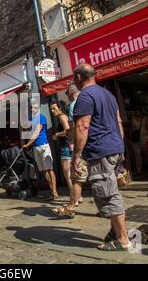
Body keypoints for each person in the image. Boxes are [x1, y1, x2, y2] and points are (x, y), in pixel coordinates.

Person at [72, 63, 131, 251]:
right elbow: (119, 121)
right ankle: (115, 232)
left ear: (79, 78)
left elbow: (82, 126)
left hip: (100, 150)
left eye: (74, 78)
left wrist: (77, 155)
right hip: (114, 147)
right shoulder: (108, 94)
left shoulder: (85, 96)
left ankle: (123, 239)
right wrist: (119, 145)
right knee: (109, 188)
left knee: (107, 193)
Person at [50, 84, 88, 218]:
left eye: (54, 109)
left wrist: (56, 135)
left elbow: (68, 130)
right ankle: (78, 197)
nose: (53, 111)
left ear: (60, 108)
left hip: (67, 147)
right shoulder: (65, 114)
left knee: (68, 175)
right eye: (52, 109)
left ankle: (74, 200)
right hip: (70, 146)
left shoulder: (63, 116)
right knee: (72, 175)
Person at [23, 100, 59, 201]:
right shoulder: (31, 118)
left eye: (35, 108)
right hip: (36, 147)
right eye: (31, 108)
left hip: (43, 145)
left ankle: (55, 191)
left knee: (49, 169)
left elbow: (36, 133)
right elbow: (28, 131)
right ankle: (52, 191)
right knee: (44, 171)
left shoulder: (41, 117)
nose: (33, 109)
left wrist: (27, 144)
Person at [130, 108, 148, 175]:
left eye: (139, 112)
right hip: (135, 139)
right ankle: (139, 170)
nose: (138, 113)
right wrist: (130, 139)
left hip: (144, 138)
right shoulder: (132, 119)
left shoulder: (145, 118)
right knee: (137, 155)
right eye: (136, 112)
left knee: (147, 153)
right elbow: (131, 129)